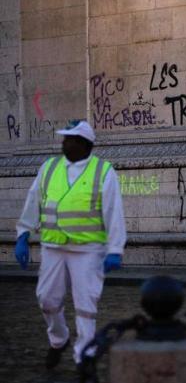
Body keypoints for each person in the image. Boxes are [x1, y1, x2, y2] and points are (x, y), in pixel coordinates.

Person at [14, 120, 126, 370]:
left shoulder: (103, 171)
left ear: (83, 144)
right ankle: (59, 339)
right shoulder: (49, 167)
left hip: (88, 250)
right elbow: (34, 200)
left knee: (86, 304)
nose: (63, 142)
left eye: (69, 139)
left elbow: (113, 212)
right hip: (53, 246)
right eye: (64, 138)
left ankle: (84, 354)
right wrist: (23, 233)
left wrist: (115, 249)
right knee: (47, 300)